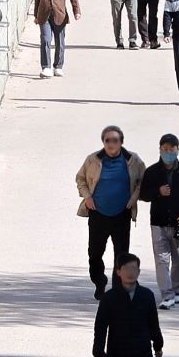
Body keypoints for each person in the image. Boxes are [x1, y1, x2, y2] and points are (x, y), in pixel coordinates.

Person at [77, 125, 145, 300]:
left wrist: (134, 198)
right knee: (94, 253)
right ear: (103, 142)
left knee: (121, 256)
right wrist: (87, 197)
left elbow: (142, 181)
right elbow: (80, 179)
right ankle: (99, 282)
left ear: (121, 142)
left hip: (122, 214)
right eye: (107, 140)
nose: (111, 143)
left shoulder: (133, 160)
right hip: (98, 214)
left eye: (115, 140)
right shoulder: (92, 160)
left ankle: (117, 290)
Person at [139, 132, 179, 305]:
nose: (168, 153)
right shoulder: (151, 172)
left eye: (171, 149)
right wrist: (158, 192)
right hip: (158, 222)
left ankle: (177, 289)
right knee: (161, 260)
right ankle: (167, 295)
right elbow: (143, 194)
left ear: (177, 150)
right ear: (160, 150)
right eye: (165, 149)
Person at [32, 0, 79, 78]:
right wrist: (36, 14)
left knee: (60, 41)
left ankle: (58, 66)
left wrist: (76, 11)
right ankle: (46, 67)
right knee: (45, 40)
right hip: (44, 14)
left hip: (60, 14)